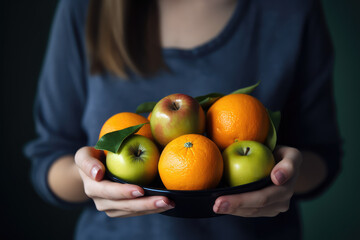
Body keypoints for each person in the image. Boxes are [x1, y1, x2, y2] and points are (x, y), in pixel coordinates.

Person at [25, 0, 342, 239]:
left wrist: (286, 179)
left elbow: (321, 155)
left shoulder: (291, 10)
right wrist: (89, 179)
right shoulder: (85, 7)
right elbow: (49, 157)